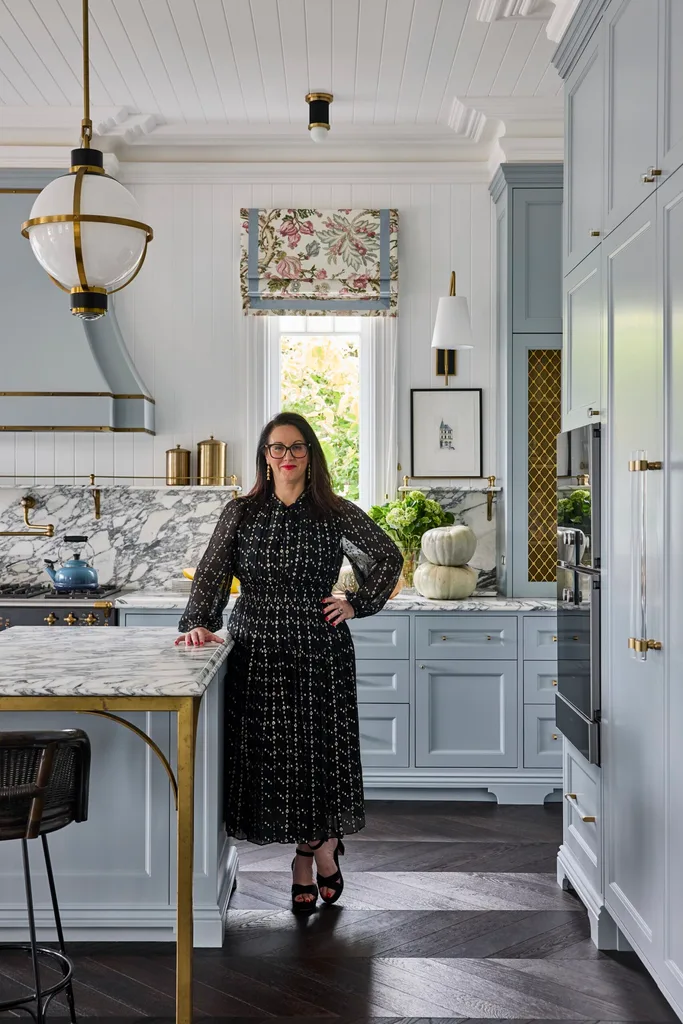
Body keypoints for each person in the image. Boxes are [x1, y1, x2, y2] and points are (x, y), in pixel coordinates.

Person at [176, 412, 403, 912]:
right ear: (264, 455)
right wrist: (199, 621)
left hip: (318, 649)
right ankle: (319, 846)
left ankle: (313, 851)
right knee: (271, 757)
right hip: (256, 650)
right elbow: (212, 571)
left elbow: (387, 557)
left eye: (297, 447)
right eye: (277, 448)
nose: (287, 456)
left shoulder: (335, 512)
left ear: (311, 455)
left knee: (316, 755)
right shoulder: (241, 512)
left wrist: (355, 602)